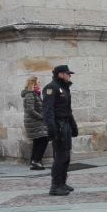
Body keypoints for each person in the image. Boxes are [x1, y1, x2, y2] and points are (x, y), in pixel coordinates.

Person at [42, 65, 79, 196]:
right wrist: (52, 129)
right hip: (58, 126)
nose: (69, 76)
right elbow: (48, 111)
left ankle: (62, 182)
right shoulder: (51, 88)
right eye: (67, 74)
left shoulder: (64, 88)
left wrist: (73, 126)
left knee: (66, 156)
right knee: (60, 157)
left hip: (66, 125)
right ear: (60, 74)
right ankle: (55, 186)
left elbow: (68, 110)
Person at [22, 76, 49, 170]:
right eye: (38, 83)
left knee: (38, 141)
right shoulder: (30, 95)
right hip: (35, 121)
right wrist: (42, 117)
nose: (39, 85)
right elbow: (30, 110)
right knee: (44, 139)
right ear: (33, 84)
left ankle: (34, 161)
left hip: (35, 121)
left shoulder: (35, 94)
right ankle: (36, 161)